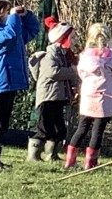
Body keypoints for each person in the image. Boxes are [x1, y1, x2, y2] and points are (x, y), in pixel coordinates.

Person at [0, 0, 41, 171]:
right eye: (6, 11)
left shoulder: (10, 29)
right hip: (0, 81)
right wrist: (13, 17)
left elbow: (33, 29)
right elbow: (9, 35)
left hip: (10, 82)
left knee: (3, 122)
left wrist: (26, 15)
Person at [65, 23, 112, 170]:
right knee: (98, 130)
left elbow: (81, 74)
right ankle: (90, 162)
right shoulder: (110, 57)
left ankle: (70, 161)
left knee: (82, 127)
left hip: (88, 95)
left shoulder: (84, 56)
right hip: (105, 96)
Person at [27, 17, 79, 162]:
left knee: (59, 128)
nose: (74, 40)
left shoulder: (65, 55)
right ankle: (33, 155)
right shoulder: (50, 55)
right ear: (63, 38)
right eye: (72, 37)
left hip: (59, 97)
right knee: (44, 127)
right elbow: (53, 72)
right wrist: (73, 71)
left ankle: (52, 154)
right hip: (48, 97)